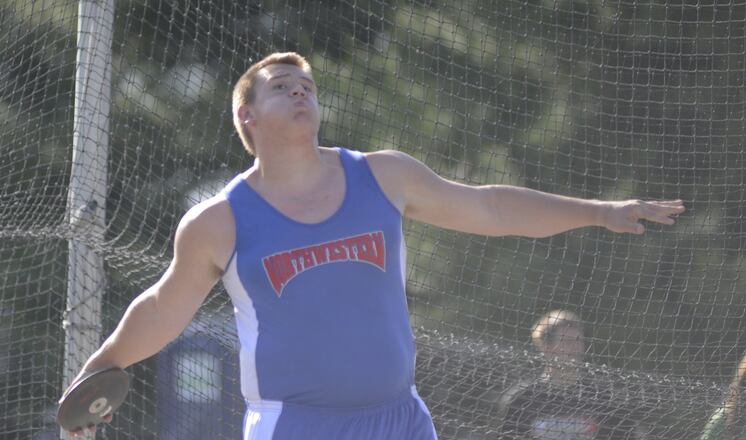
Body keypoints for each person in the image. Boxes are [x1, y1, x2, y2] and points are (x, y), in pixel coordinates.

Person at [61, 52, 684, 439]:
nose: (300, 90)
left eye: (305, 84)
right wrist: (102, 366)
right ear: (245, 116)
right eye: (281, 85)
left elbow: (492, 206)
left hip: (399, 418)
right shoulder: (219, 221)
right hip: (296, 425)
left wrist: (601, 211)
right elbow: (163, 309)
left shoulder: (383, 175)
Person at [497, 310, 648, 439]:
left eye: (579, 341)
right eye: (567, 342)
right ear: (546, 347)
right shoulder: (521, 399)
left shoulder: (604, 399)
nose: (576, 349)